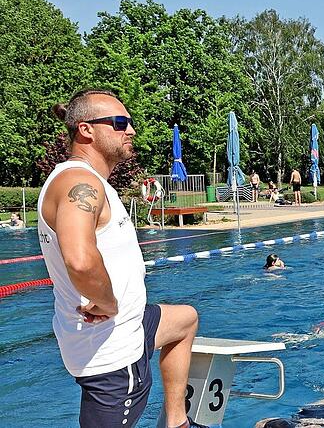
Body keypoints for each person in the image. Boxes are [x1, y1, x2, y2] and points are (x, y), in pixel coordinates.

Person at [38, 90, 204, 428]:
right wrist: (109, 302)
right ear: (86, 130)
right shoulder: (80, 183)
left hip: (130, 328)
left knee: (185, 320)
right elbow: (81, 260)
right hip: (111, 358)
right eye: (119, 123)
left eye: (129, 123)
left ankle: (177, 422)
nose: (130, 130)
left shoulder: (89, 181)